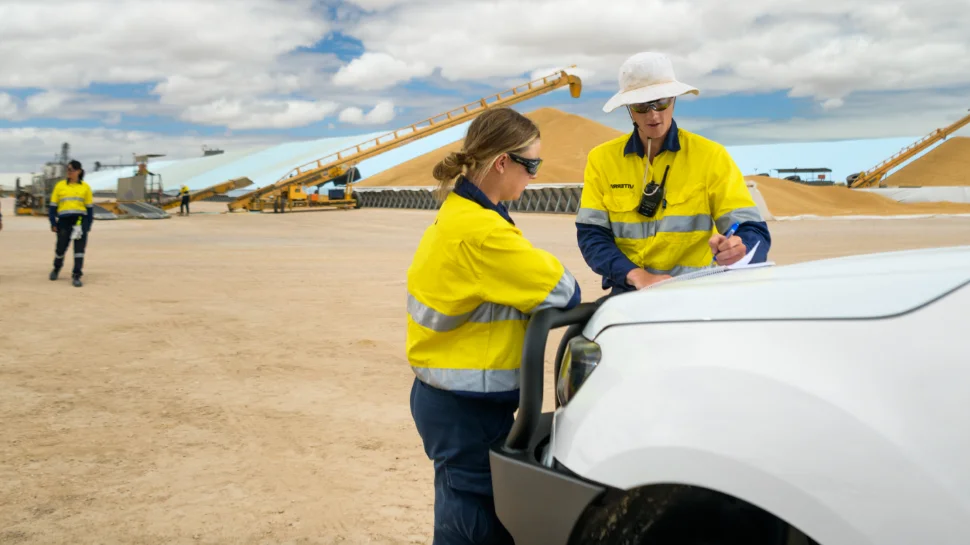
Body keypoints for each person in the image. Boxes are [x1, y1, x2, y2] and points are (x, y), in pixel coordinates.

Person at [406, 107, 582, 545]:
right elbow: (565, 291)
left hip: (448, 400)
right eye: (532, 165)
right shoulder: (482, 232)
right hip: (468, 409)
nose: (535, 177)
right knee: (474, 526)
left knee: (463, 511)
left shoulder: (461, 211)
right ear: (503, 161)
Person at [576, 52, 771, 295]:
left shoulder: (711, 156)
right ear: (628, 108)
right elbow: (592, 236)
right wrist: (637, 276)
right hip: (629, 292)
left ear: (674, 99)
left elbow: (753, 229)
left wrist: (739, 249)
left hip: (696, 294)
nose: (653, 115)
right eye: (641, 106)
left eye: (661, 102)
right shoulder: (601, 159)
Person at [49, 160, 94, 287]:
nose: (69, 172)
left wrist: (88, 225)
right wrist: (53, 222)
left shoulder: (85, 187)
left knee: (79, 250)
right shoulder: (60, 186)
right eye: (67, 170)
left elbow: (89, 208)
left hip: (80, 222)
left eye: (71, 170)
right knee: (60, 248)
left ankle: (77, 275)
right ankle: (56, 268)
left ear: (78, 171)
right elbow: (53, 207)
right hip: (64, 222)